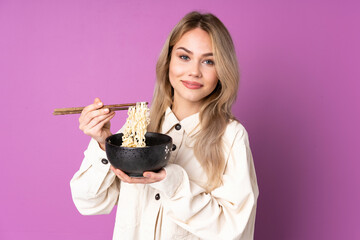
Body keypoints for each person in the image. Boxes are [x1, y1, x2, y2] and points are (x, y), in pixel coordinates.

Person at [70, 11, 259, 240]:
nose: (194, 71)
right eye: (184, 57)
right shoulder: (137, 129)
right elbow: (89, 203)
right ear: (168, 60)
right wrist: (104, 145)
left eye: (209, 61)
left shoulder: (231, 136)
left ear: (222, 71)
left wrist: (174, 182)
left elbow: (235, 230)